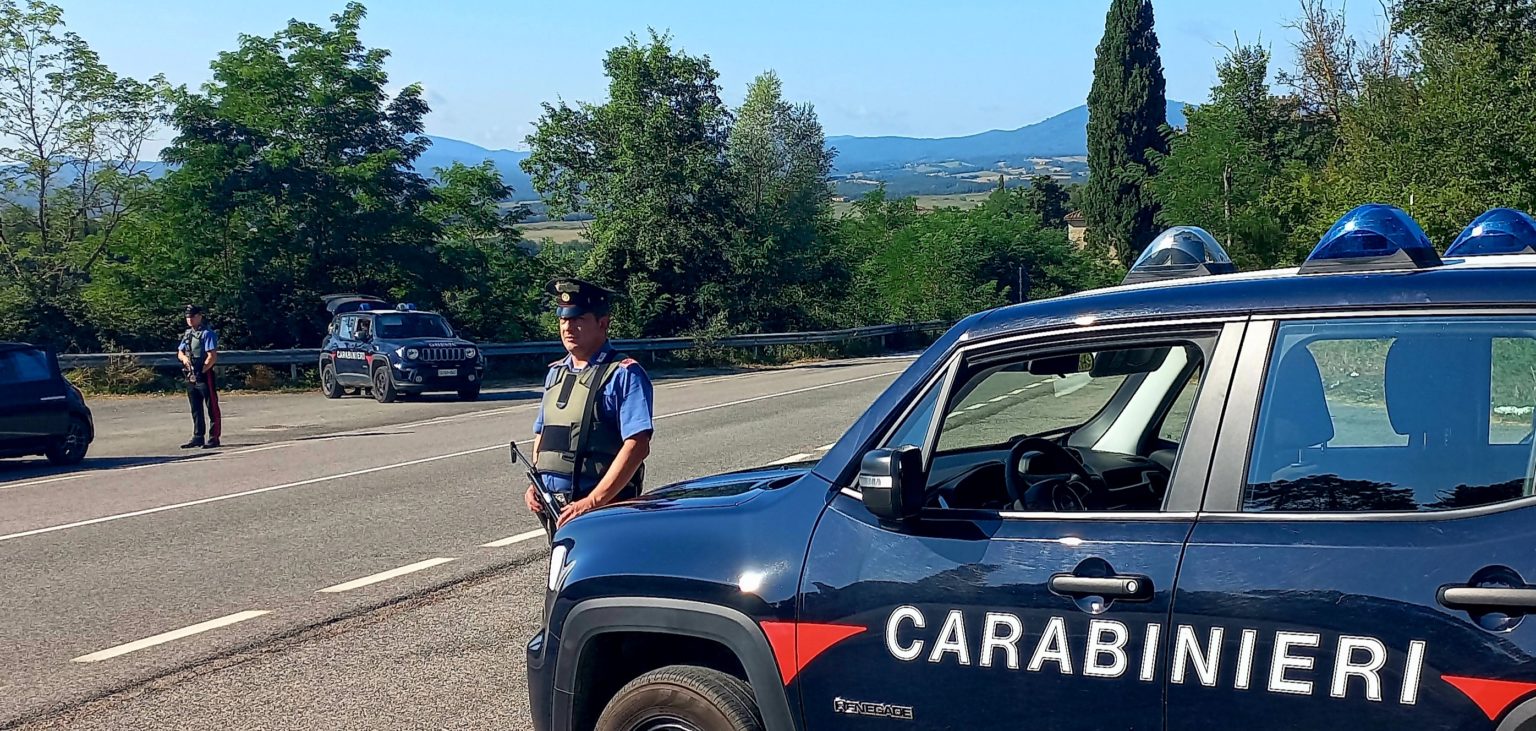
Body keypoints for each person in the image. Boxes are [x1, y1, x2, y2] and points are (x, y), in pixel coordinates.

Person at [524, 278, 654, 528]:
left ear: (602, 323)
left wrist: (594, 501)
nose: (567, 327)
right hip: (558, 511)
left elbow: (637, 445)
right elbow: (543, 434)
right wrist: (536, 485)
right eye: (563, 320)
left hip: (602, 513)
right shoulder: (555, 373)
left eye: (578, 319)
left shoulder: (624, 374)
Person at [177, 304, 222, 449]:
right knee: (195, 407)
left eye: (192, 316)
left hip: (203, 372)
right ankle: (198, 436)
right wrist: (185, 360)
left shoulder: (207, 333)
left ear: (199, 317)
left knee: (211, 406)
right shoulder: (188, 334)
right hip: (190, 373)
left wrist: (202, 370)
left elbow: (212, 356)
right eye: (187, 317)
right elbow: (180, 352)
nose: (189, 319)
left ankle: (214, 437)